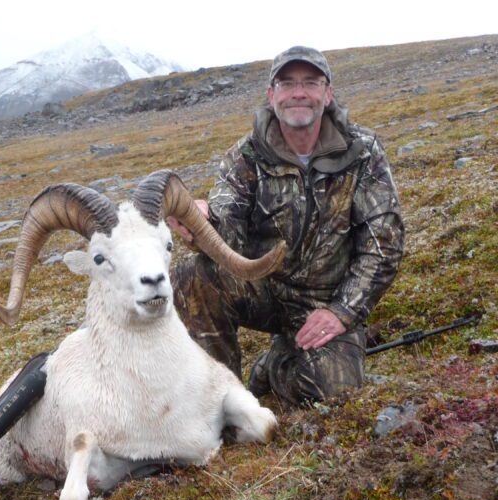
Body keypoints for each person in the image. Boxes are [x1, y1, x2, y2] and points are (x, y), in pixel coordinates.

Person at [169, 46, 404, 406]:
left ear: (327, 94)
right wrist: (203, 221)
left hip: (327, 303)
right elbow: (226, 227)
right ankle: (218, 403)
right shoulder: (246, 156)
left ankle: (276, 364)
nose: (298, 93)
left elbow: (383, 245)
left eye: (310, 82)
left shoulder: (364, 152)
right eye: (287, 83)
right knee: (192, 275)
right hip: (264, 291)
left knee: (333, 395)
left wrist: (342, 311)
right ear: (271, 95)